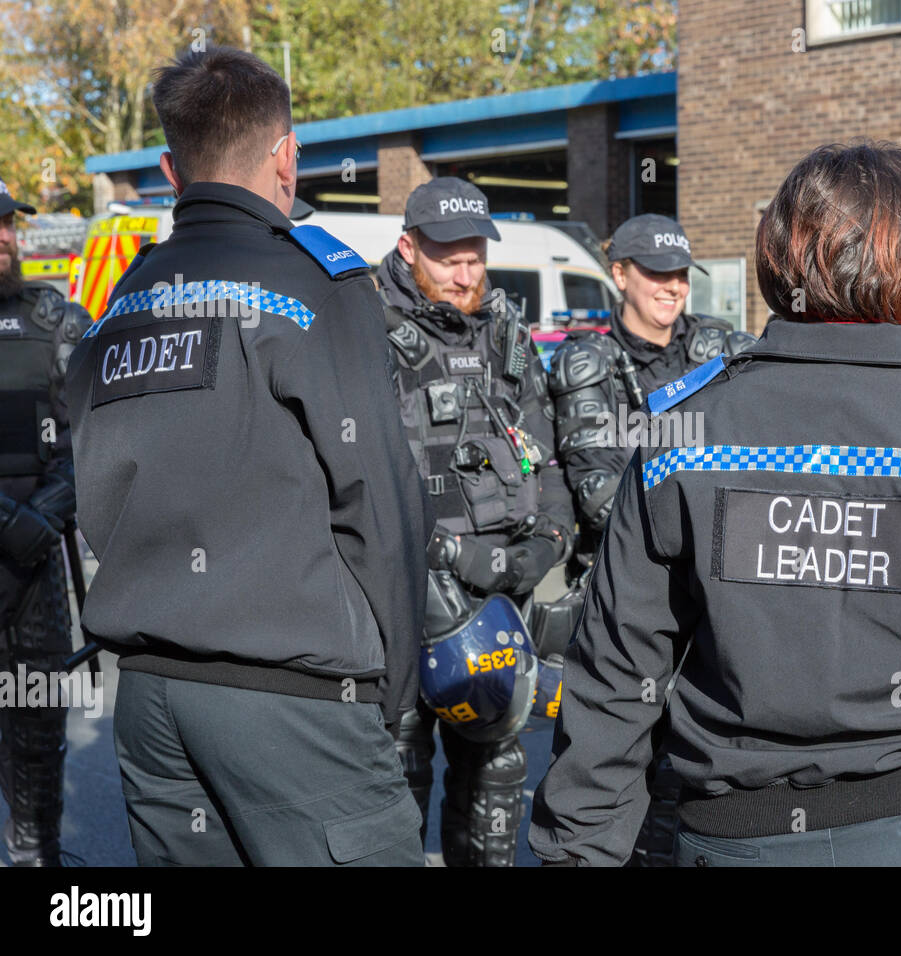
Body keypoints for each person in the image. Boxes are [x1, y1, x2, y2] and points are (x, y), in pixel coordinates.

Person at [529, 142, 901, 867]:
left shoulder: (686, 435)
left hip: (740, 835)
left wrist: (578, 851)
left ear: (777, 253)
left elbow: (616, 682)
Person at [65, 47, 426, 866]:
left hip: (152, 695)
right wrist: (392, 692)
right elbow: (382, 499)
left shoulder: (124, 301)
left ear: (168, 168)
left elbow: (94, 480)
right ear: (287, 155)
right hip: (295, 702)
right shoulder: (316, 284)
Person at [547, 212, 756, 866]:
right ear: (619, 275)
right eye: (656, 275)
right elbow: (603, 501)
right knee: (614, 793)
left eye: (680, 276)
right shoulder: (588, 363)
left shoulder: (725, 348)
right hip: (625, 608)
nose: (672, 288)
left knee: (695, 790)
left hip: (716, 609)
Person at [377, 176, 572, 867]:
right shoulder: (367, 332)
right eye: (446, 259)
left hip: (497, 606)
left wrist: (545, 546)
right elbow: (355, 477)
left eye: (474, 259)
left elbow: (542, 452)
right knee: (397, 790)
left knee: (494, 793)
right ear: (407, 248)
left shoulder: (507, 333)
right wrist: (441, 556)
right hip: (404, 607)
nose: (464, 275)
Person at [0, 179, 90, 865]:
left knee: (38, 732)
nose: (5, 238)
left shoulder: (58, 320)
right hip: (17, 540)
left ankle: (40, 861)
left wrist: (48, 509)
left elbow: (102, 432)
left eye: (10, 226)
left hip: (38, 576)